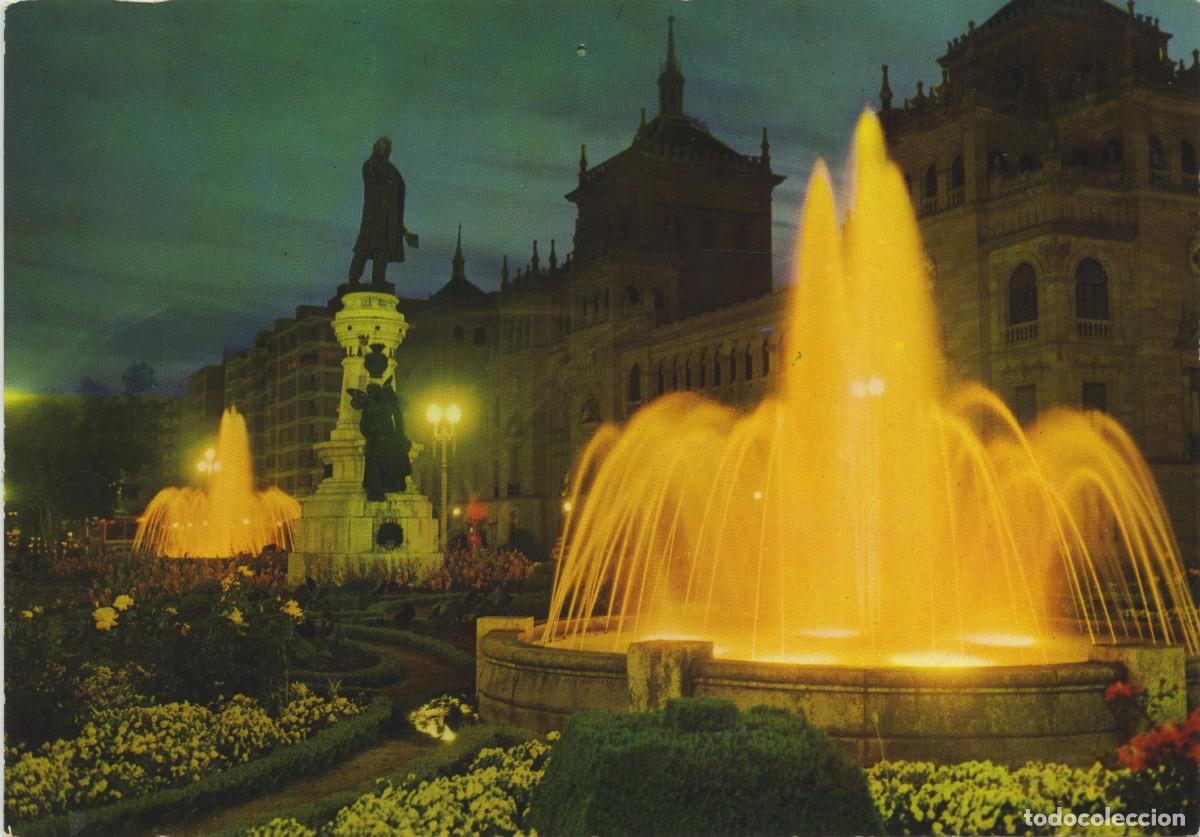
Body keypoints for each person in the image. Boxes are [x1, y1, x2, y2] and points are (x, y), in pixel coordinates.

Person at [349, 137, 416, 284]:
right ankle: (353, 278)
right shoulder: (369, 165)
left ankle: (378, 279)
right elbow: (372, 188)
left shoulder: (391, 169)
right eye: (384, 147)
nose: (387, 151)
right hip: (374, 215)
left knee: (383, 249)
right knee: (365, 247)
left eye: (388, 149)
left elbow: (399, 188)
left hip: (390, 216)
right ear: (376, 148)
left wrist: (398, 218)